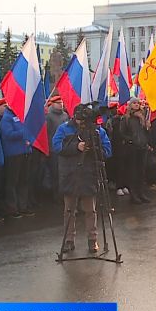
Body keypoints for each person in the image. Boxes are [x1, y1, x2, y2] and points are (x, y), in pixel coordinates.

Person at [53, 104, 112, 254]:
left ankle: (93, 240)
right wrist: (75, 147)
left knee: (90, 210)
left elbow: (107, 150)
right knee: (69, 210)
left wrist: (95, 148)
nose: (81, 123)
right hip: (70, 174)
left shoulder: (97, 130)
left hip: (89, 173)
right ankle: (69, 240)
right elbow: (56, 147)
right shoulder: (64, 128)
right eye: (79, 120)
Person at [0, 100, 34, 218]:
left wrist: (30, 139)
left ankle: (23, 206)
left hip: (25, 151)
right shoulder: (7, 118)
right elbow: (8, 134)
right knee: (12, 182)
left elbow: (31, 132)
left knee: (24, 180)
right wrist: (24, 132)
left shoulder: (22, 116)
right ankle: (12, 208)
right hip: (13, 153)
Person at [122, 98, 152, 202]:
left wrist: (147, 126)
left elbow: (146, 134)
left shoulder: (142, 118)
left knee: (141, 171)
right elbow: (122, 133)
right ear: (130, 105)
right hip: (132, 148)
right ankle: (133, 195)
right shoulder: (126, 118)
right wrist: (131, 141)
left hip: (142, 147)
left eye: (138, 103)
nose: (136, 105)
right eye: (134, 103)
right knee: (133, 172)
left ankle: (141, 193)